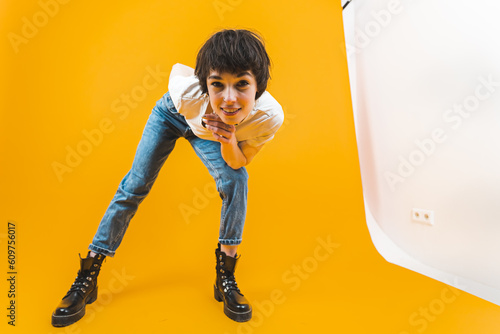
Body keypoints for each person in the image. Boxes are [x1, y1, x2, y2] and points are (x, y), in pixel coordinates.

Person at [51, 29, 284, 327]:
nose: (228, 99)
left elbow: (239, 161)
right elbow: (191, 112)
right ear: (205, 86)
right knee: (134, 185)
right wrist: (212, 124)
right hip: (173, 115)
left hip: (214, 134)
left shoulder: (268, 117)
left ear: (258, 87)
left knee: (237, 181)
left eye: (241, 85)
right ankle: (88, 276)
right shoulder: (189, 97)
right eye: (217, 85)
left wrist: (228, 139)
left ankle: (225, 277)